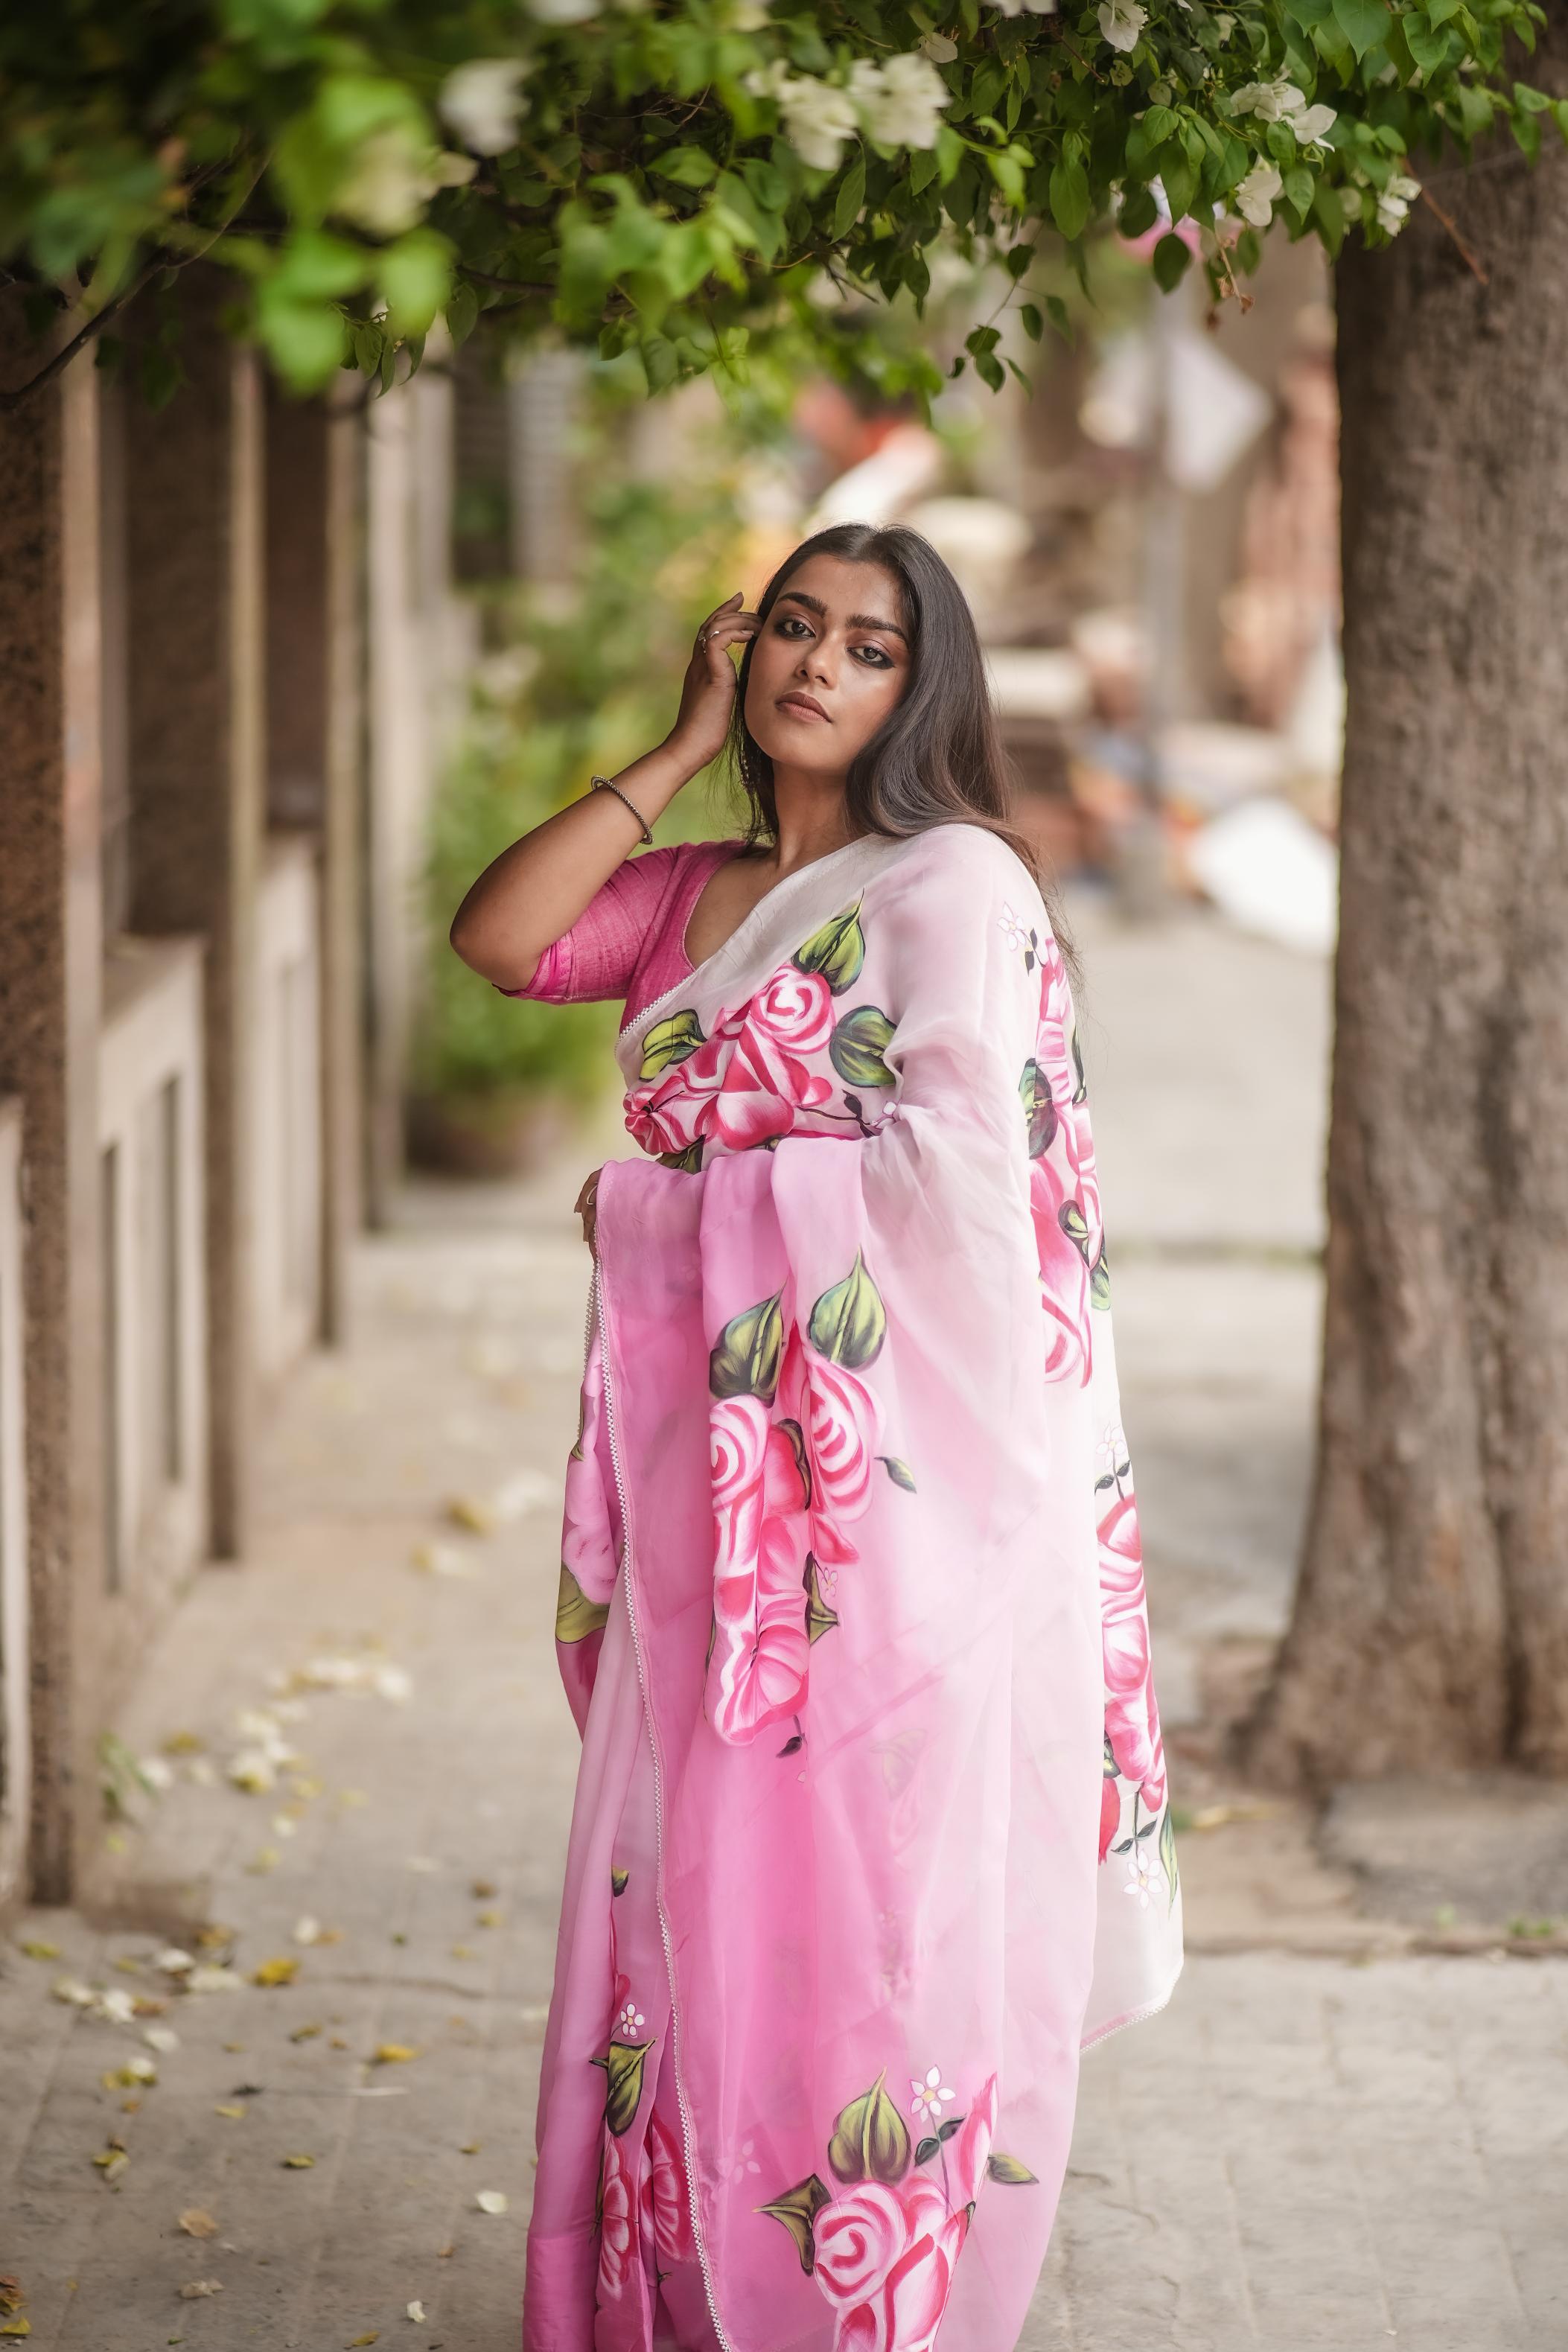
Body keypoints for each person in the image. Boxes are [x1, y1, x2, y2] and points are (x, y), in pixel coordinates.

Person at [450, 523, 1182, 2352]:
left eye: (867, 646)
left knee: (864, 1906)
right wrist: (678, 749)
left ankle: (853, 2318)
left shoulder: (951, 888)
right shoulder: (694, 893)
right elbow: (504, 933)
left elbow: (965, 1191)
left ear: (914, 688)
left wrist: (671, 1215)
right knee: (690, 1897)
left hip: (888, 1510)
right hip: (705, 1498)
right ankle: (684, 2296)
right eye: (791, 627)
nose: (815, 666)